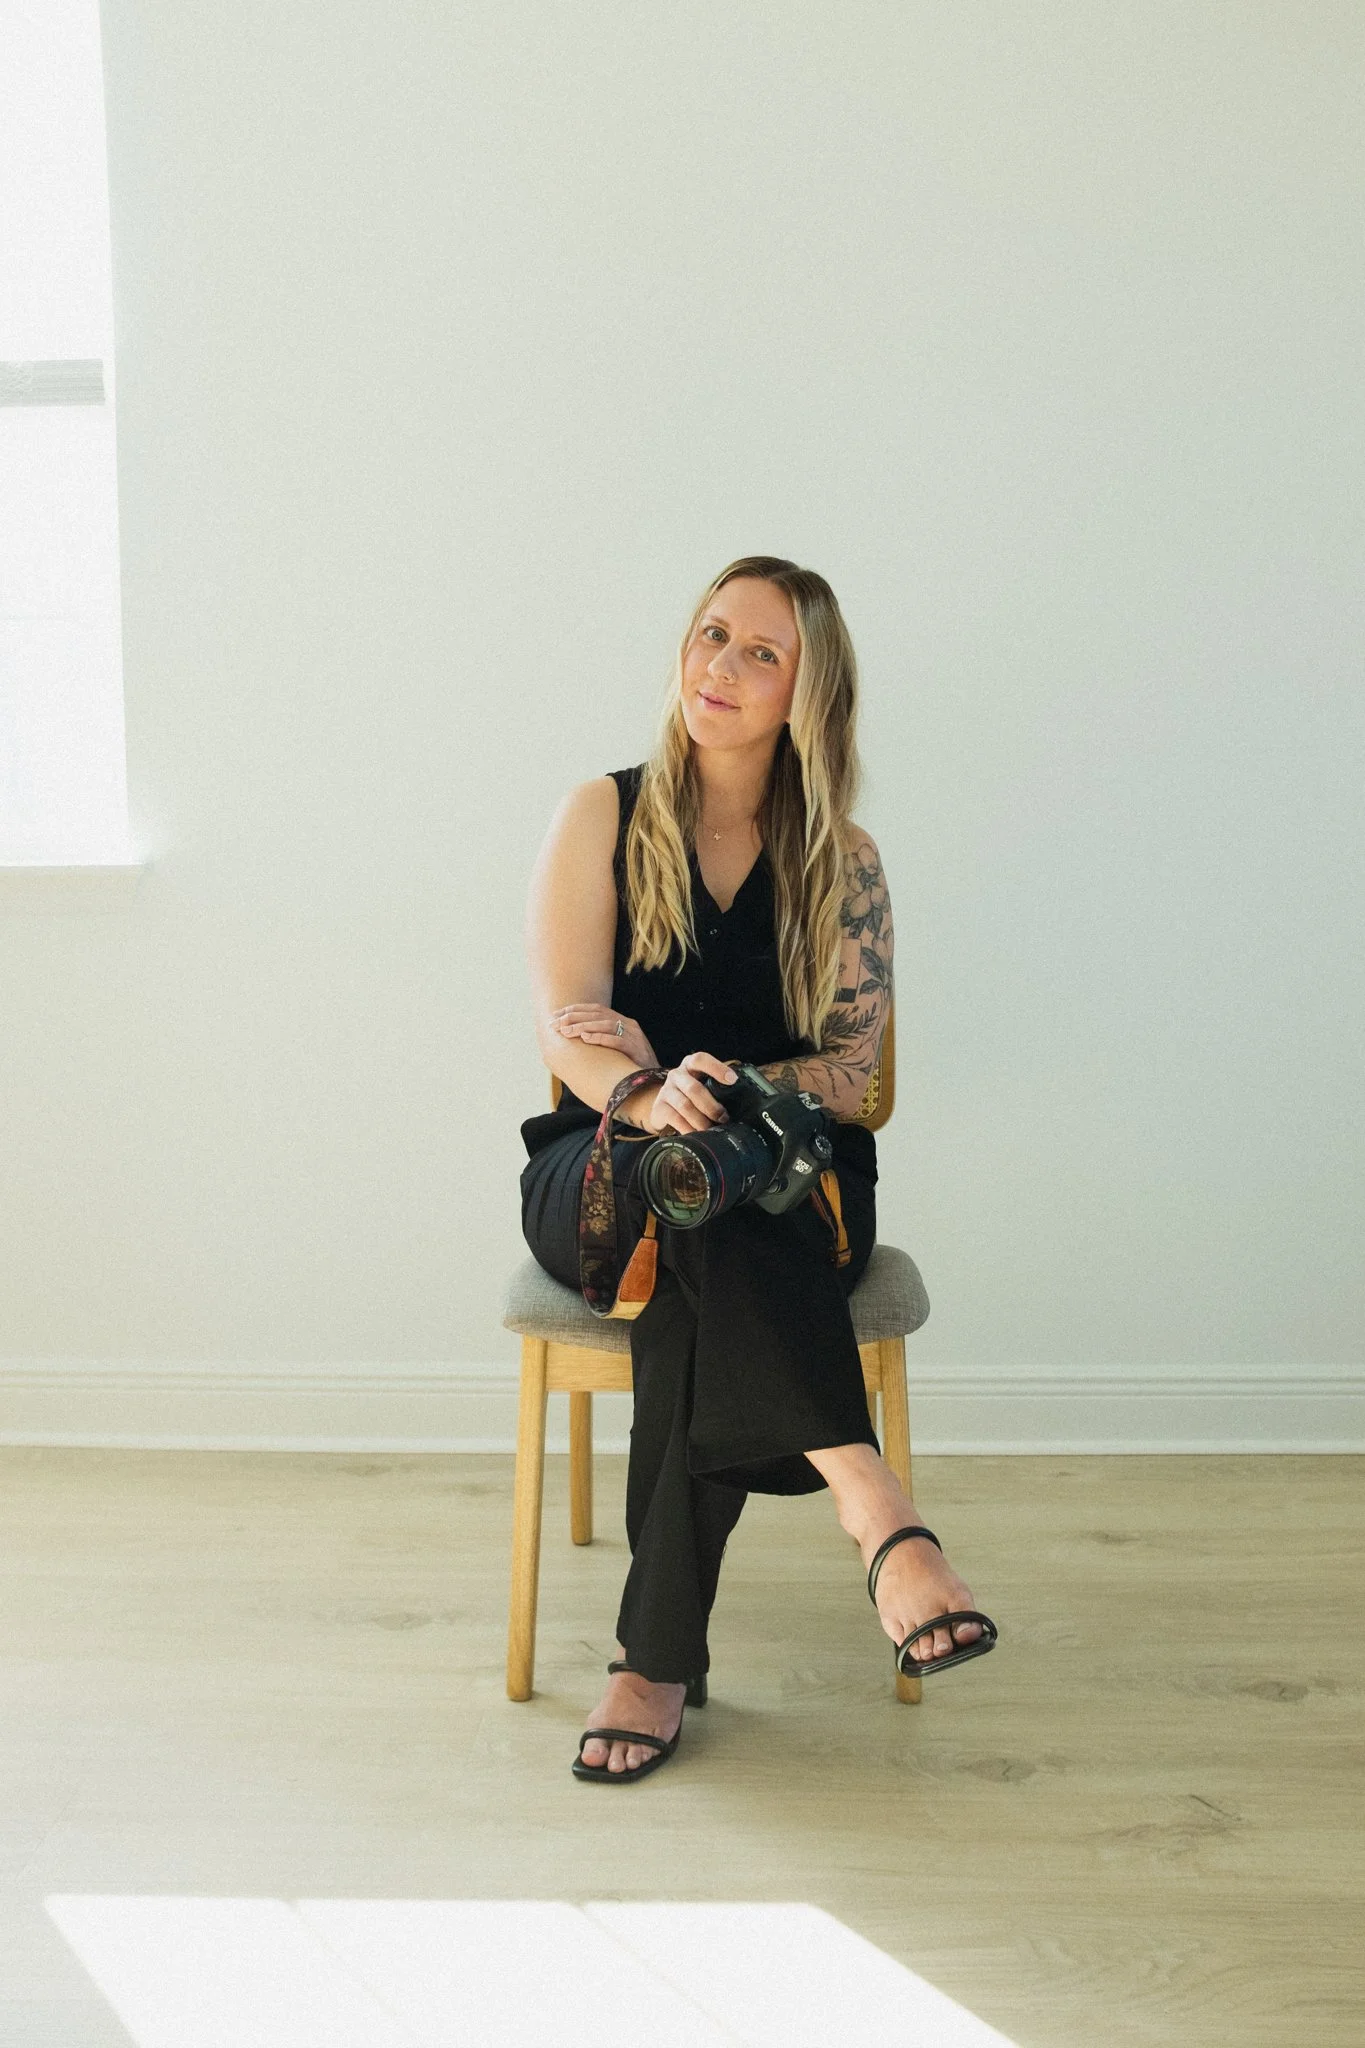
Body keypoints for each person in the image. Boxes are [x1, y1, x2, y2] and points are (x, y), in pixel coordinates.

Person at [520, 555, 995, 1783]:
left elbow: (857, 1064)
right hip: (603, 1167)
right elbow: (567, 1026)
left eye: (759, 652)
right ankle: (874, 1504)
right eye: (710, 634)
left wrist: (731, 1092)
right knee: (688, 1180)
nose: (718, 667)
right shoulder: (605, 813)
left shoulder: (847, 860)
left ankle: (655, 1659)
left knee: (718, 1194)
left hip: (783, 1179)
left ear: (807, 694)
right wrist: (641, 1091)